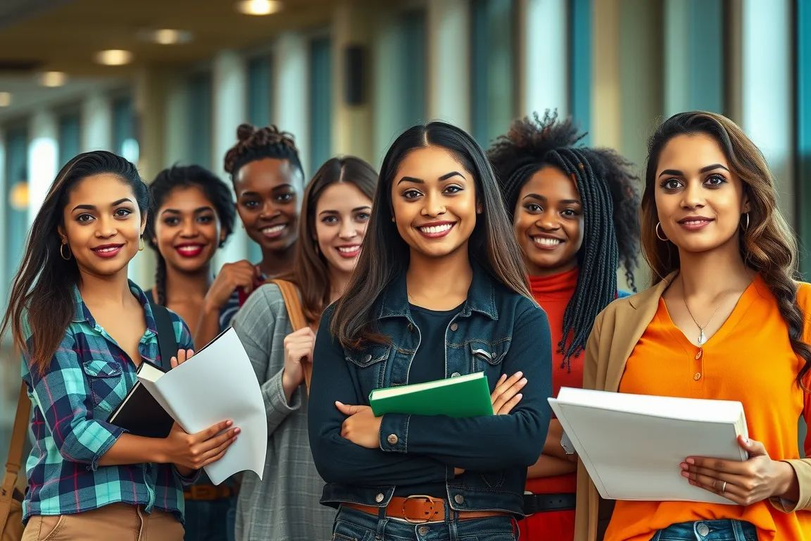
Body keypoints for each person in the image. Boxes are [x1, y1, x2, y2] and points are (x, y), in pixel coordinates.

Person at [308, 122, 553, 541]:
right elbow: (335, 457)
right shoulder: (345, 319)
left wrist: (385, 429)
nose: (432, 207)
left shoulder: (520, 318)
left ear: (479, 201)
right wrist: (467, 448)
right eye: (412, 193)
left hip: (480, 531)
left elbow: (522, 441)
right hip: (367, 528)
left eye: (451, 189)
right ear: (390, 208)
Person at [575, 111, 811, 541]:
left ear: (746, 197)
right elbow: (596, 472)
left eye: (714, 180)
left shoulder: (805, 308)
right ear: (656, 206)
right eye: (672, 183)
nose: (691, 198)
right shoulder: (615, 324)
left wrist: (783, 477)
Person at [0, 151, 237, 541]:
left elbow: (186, 463)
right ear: (62, 231)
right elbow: (74, 435)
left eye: (122, 212)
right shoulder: (46, 316)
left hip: (164, 525)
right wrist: (169, 450)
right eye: (85, 217)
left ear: (143, 222)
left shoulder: (170, 328)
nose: (106, 229)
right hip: (74, 524)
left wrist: (191, 444)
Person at [486, 111, 640, 540]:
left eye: (569, 211)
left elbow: (624, 447)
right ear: (506, 211)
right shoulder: (474, 309)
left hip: (581, 524)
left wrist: (498, 436)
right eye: (533, 206)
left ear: (594, 225)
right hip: (481, 522)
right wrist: (570, 439)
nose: (548, 221)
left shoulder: (622, 318)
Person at [231, 156, 377, 541]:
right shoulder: (272, 305)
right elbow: (220, 438)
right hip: (282, 526)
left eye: (362, 216)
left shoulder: (407, 313)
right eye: (330, 219)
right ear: (311, 229)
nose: (347, 232)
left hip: (378, 525)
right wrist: (285, 381)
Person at [144, 164, 238, 541]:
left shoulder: (248, 307)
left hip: (237, 502)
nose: (188, 230)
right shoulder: (136, 313)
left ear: (225, 229)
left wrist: (217, 304)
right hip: (163, 504)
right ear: (150, 231)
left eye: (203, 217)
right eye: (172, 219)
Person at [197, 124, 305, 346]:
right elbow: (199, 379)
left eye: (283, 197)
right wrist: (211, 306)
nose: (268, 212)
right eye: (252, 203)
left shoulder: (336, 276)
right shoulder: (232, 294)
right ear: (239, 211)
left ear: (307, 194)